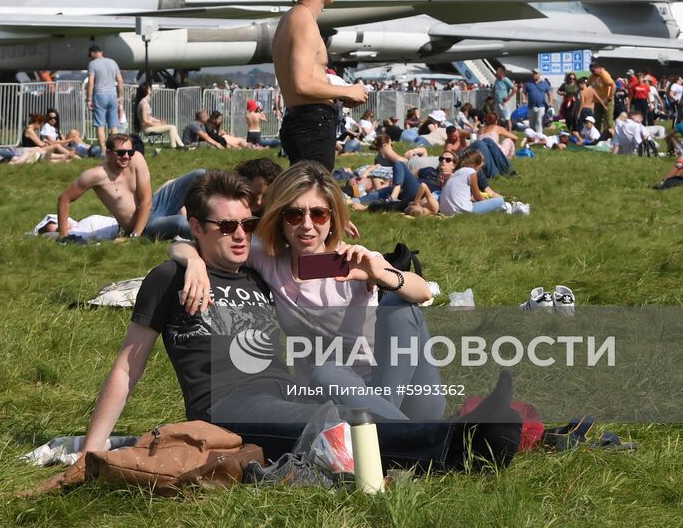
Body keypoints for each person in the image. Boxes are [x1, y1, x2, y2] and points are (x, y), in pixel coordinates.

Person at [80, 170, 520, 469]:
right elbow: (127, 363)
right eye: (225, 226)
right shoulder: (178, 275)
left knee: (359, 382)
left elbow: (415, 291)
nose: (239, 235)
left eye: (246, 225)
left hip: (314, 388)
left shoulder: (259, 269)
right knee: (333, 422)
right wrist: (92, 446)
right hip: (229, 405)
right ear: (197, 226)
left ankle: (448, 436)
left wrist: (374, 267)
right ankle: (456, 447)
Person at [171, 161, 444, 421]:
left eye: (318, 213)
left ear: (332, 217)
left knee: (398, 305)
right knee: (326, 373)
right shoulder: (268, 259)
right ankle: (404, 434)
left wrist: (380, 274)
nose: (307, 225)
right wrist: (194, 262)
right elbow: (182, 243)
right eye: (294, 214)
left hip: (403, 389)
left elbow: (423, 292)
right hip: (335, 392)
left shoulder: (354, 259)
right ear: (279, 218)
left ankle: (393, 429)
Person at [270, 0, 368, 169]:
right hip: (311, 124)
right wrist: (347, 91)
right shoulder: (304, 21)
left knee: (306, 194)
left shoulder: (290, 18)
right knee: (315, 195)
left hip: (302, 121)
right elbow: (302, 84)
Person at [55, 134, 196, 240]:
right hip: (145, 224)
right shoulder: (97, 175)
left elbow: (146, 200)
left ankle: (212, 219)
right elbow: (64, 199)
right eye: (121, 153)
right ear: (108, 153)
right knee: (181, 223)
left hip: (156, 203)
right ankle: (208, 241)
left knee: (200, 175)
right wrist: (63, 236)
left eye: (130, 152)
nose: (127, 156)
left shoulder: (137, 159)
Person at [441, 149, 527, 215]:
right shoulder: (470, 172)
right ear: (475, 165)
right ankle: (516, 208)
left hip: (446, 210)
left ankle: (505, 210)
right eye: (479, 168)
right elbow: (477, 195)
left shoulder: (457, 173)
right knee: (499, 201)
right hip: (461, 210)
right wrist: (487, 203)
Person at [85, 44, 125, 152]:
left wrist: (89, 99)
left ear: (93, 53)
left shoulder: (92, 64)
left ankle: (103, 151)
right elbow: (120, 80)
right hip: (113, 95)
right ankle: (117, 150)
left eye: (90, 54)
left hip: (100, 94)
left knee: (100, 124)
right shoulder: (113, 62)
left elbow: (91, 82)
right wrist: (120, 96)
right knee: (114, 125)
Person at [134, 83, 185, 148]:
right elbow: (145, 120)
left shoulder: (144, 102)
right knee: (172, 127)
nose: (150, 89)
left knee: (172, 127)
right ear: (146, 90)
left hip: (149, 127)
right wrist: (156, 124)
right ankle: (175, 146)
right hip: (148, 129)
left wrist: (159, 121)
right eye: (149, 87)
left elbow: (149, 117)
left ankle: (181, 146)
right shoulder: (144, 103)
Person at [589, 61, 616, 134]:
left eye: (593, 71)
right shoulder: (592, 76)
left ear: (598, 68)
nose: (592, 72)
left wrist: (609, 97)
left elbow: (613, 85)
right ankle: (598, 137)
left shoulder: (604, 74)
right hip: (598, 101)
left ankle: (613, 136)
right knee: (597, 120)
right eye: (591, 71)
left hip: (607, 101)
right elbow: (586, 84)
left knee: (608, 120)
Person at [521, 70, 551, 135]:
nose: (534, 75)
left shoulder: (545, 84)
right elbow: (523, 93)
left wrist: (550, 102)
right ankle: (532, 137)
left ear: (540, 74)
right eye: (533, 73)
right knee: (532, 123)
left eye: (536, 73)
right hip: (531, 106)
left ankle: (539, 136)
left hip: (541, 106)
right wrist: (523, 99)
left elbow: (549, 94)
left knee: (539, 122)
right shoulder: (528, 84)